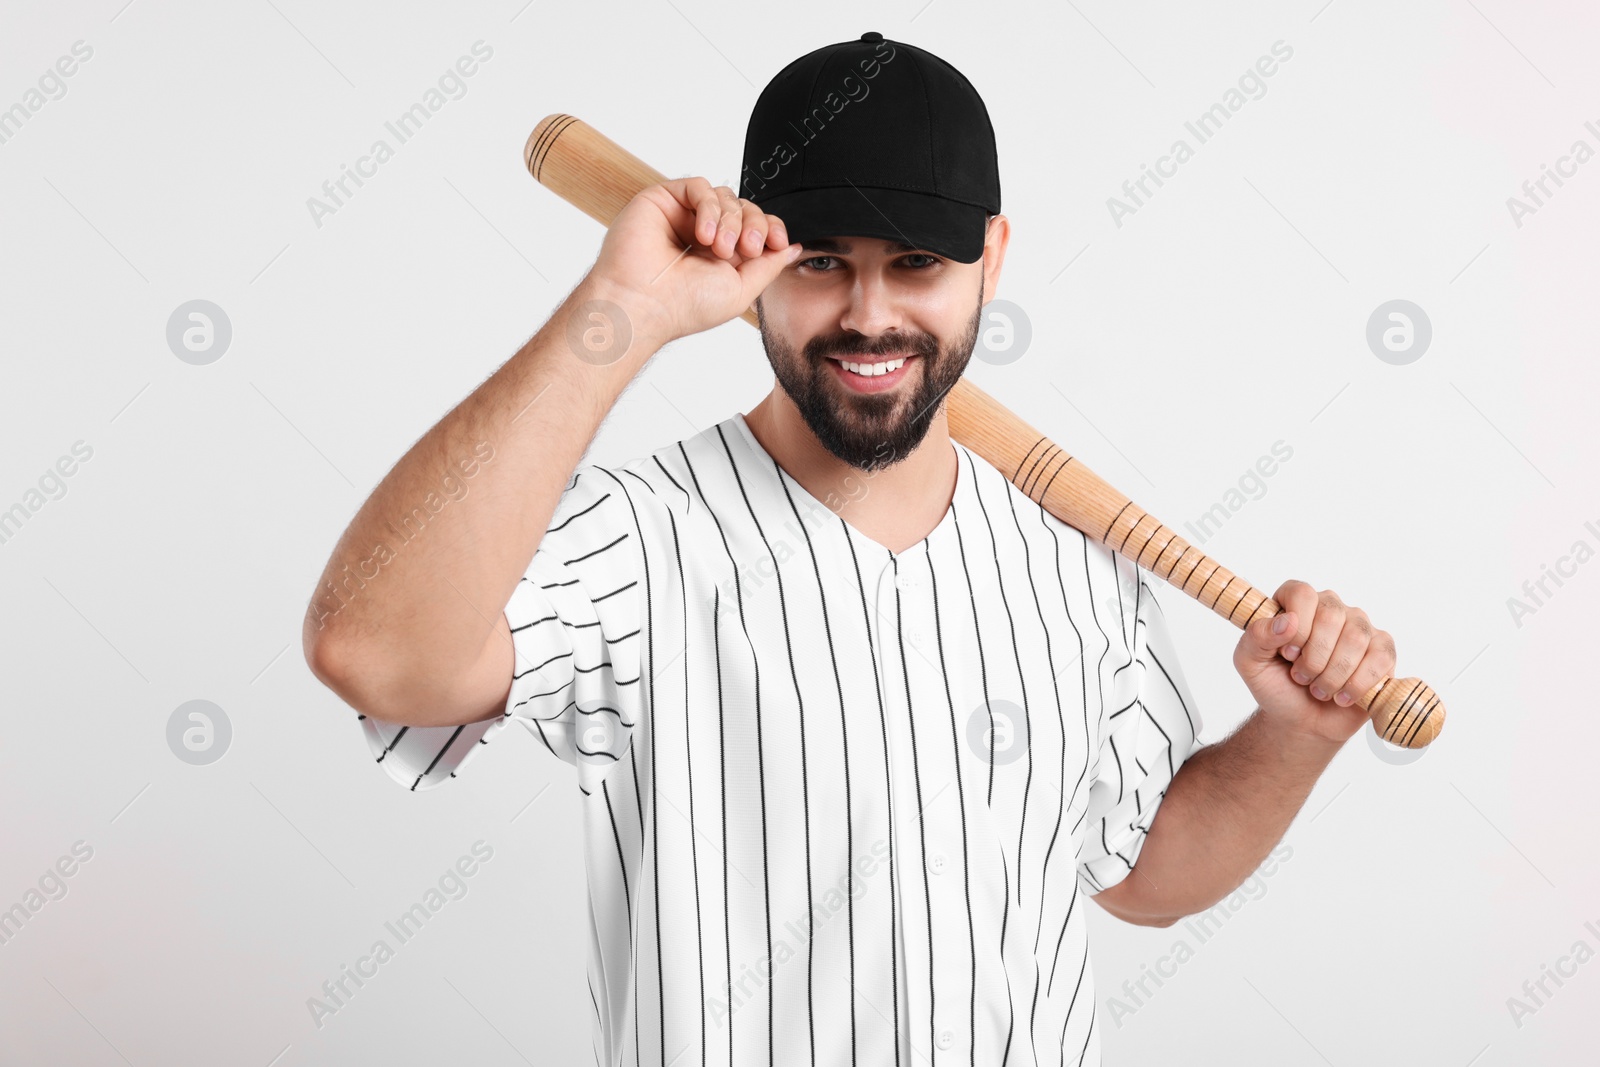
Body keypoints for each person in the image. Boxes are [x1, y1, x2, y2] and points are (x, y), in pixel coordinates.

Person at [303, 31, 1399, 1067]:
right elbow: (375, 648)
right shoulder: (634, 539)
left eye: (917, 259)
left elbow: (1141, 871)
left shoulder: (1078, 562)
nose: (868, 315)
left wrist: (1291, 735)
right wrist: (622, 308)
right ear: (754, 261)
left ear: (991, 258)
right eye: (821, 260)